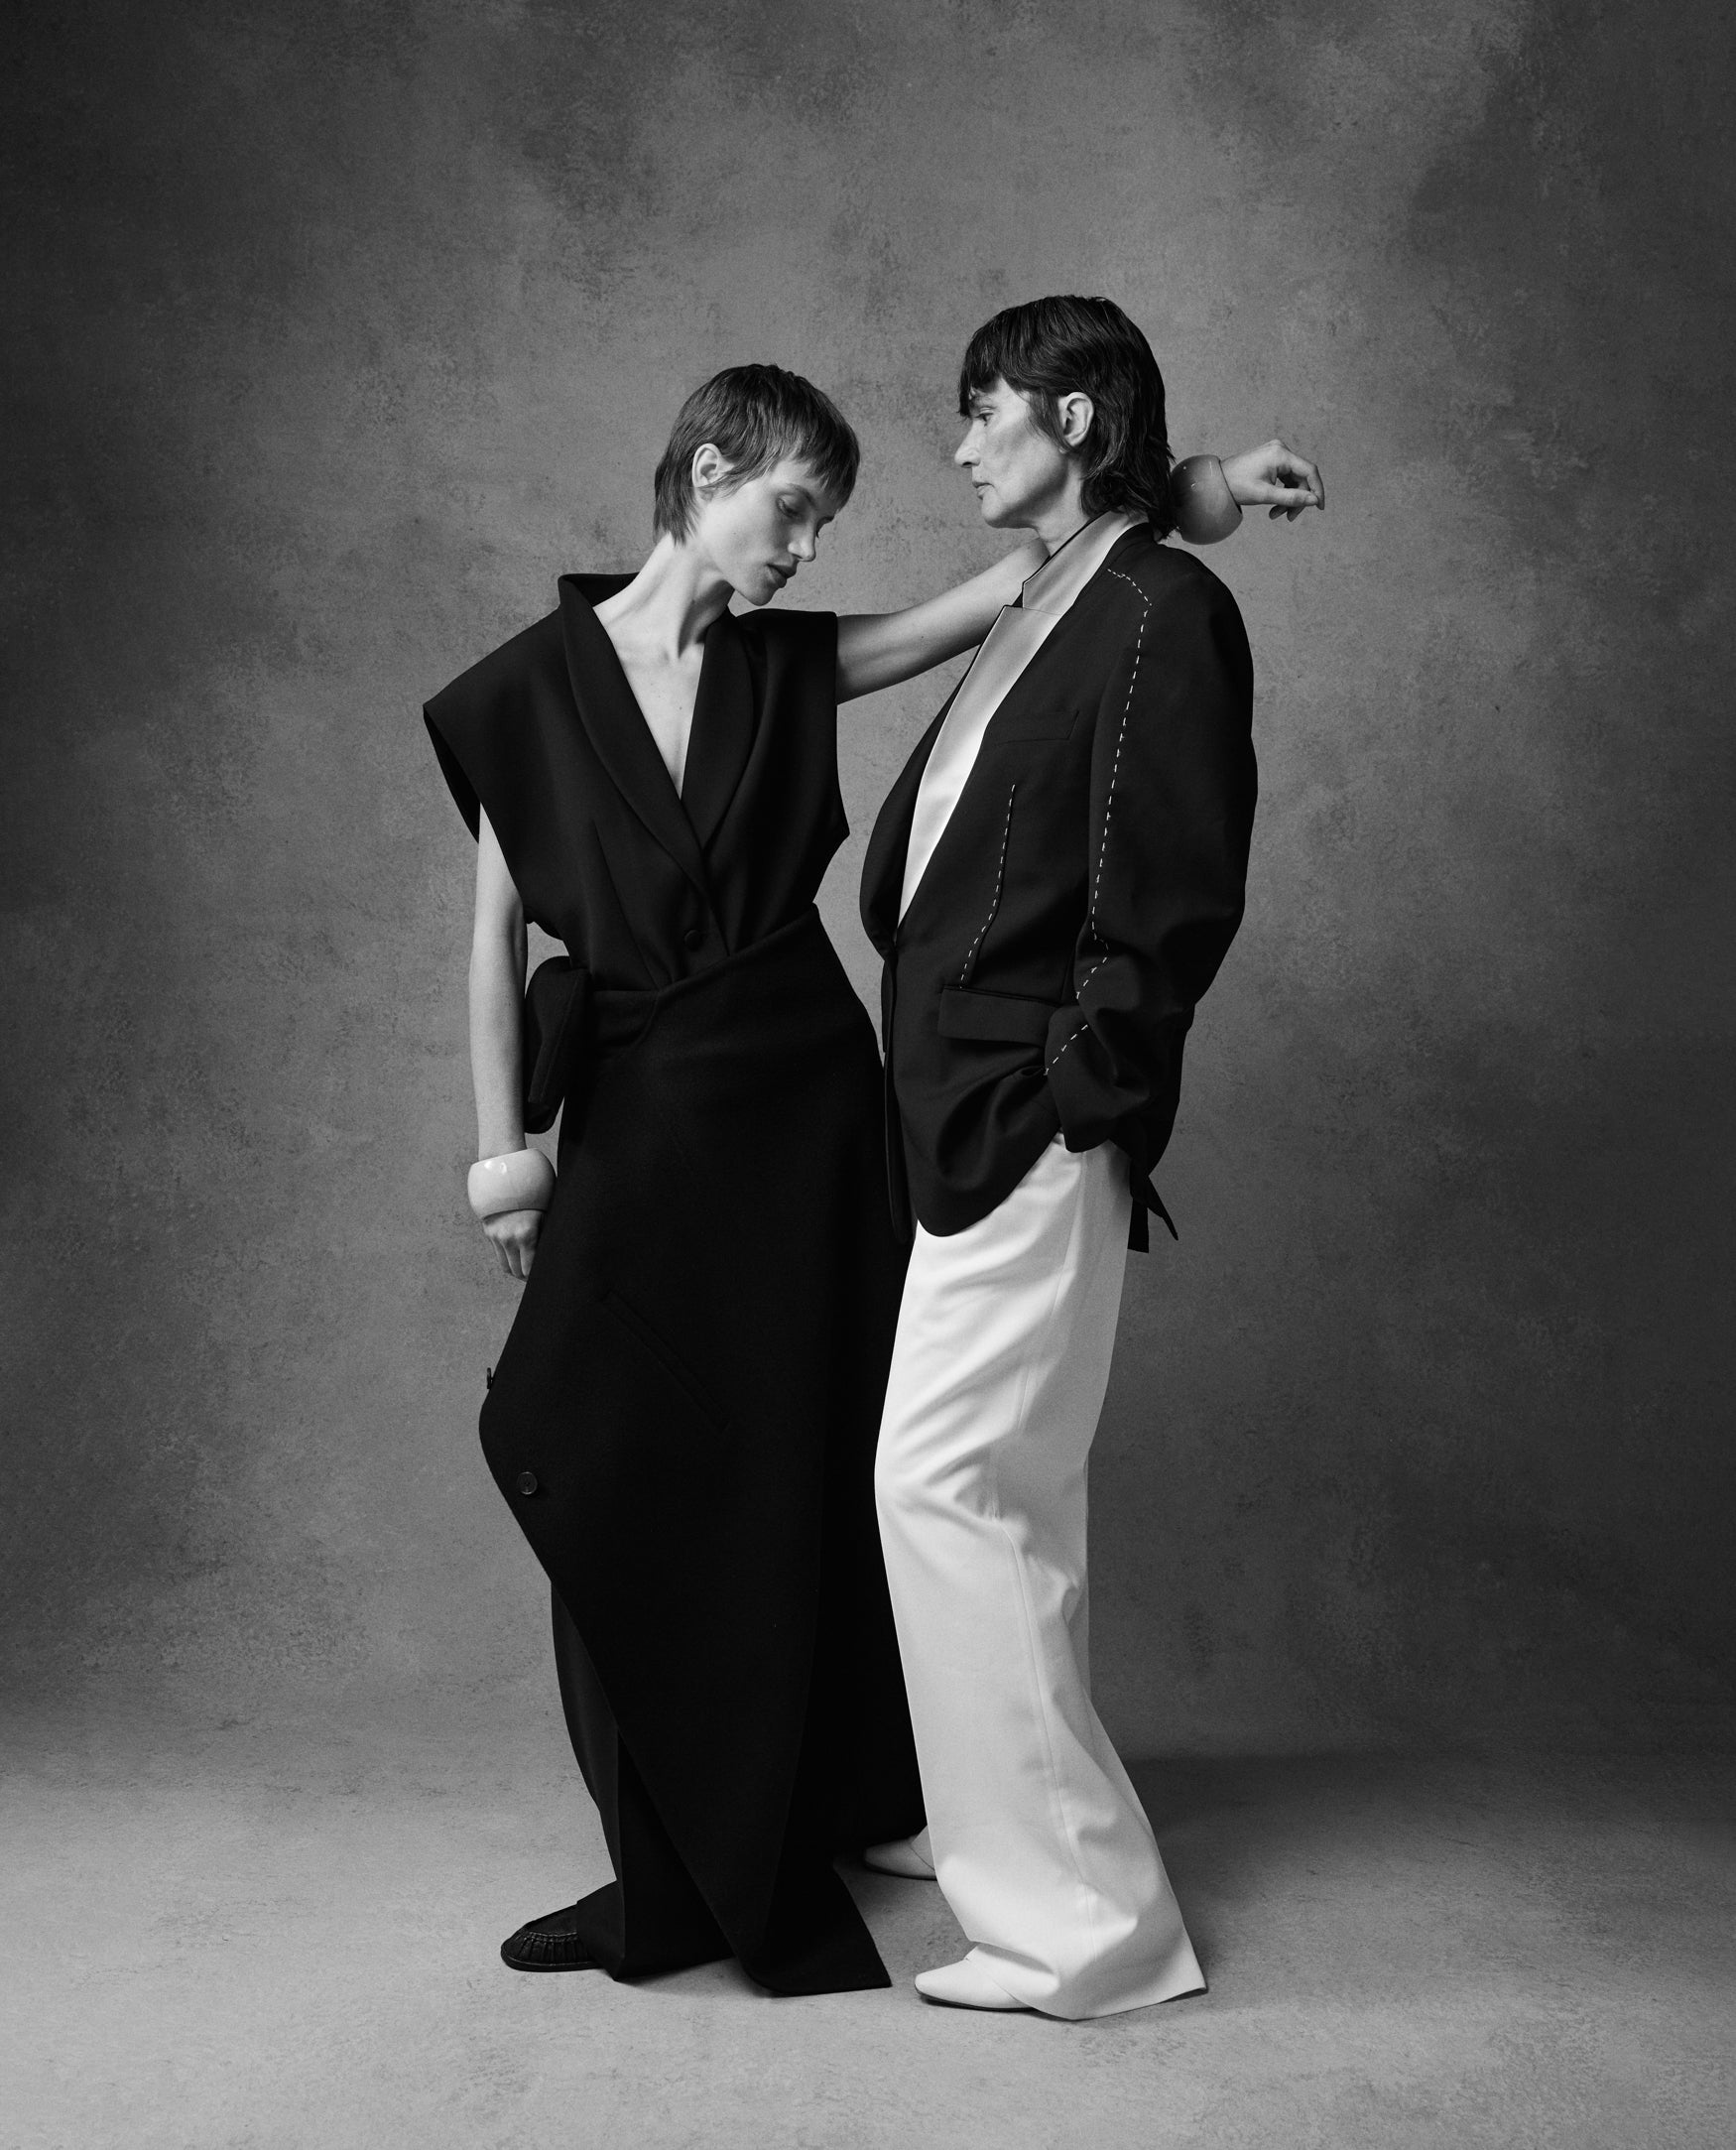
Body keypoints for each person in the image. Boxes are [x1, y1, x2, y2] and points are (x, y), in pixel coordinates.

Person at [425, 360, 1318, 1998]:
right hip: (635, 1120)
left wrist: (1181, 491)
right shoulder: (525, 693)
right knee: (607, 1462)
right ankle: (669, 1871)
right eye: (790, 511)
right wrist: (509, 1165)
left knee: (824, 1470)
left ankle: (845, 1801)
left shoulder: (789, 667)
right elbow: (494, 942)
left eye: (825, 525)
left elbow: (1012, 592)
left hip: (813, 1121)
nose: (806, 549)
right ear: (705, 472)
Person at [863, 297, 1304, 2016]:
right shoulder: (1063, 592)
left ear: (1065, 409)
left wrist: (1070, 1093)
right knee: (1007, 1495)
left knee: (947, 1484)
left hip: (1027, 1116)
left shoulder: (1156, 615)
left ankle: (1078, 1934)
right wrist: (1181, 484)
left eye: (983, 410)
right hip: (964, 1111)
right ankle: (993, 1811)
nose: (961, 443)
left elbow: (1172, 892)